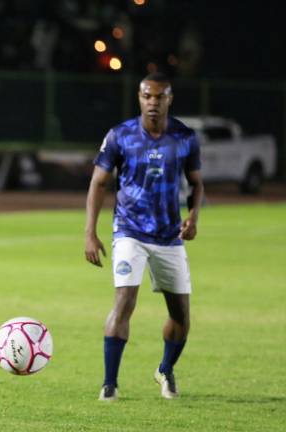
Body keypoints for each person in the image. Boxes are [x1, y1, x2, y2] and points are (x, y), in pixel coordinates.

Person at [84, 72, 204, 401]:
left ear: (169, 99)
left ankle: (165, 369)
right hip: (129, 232)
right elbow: (98, 183)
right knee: (124, 302)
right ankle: (110, 384)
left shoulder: (184, 137)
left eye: (159, 97)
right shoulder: (120, 136)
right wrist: (90, 233)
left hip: (169, 235)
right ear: (139, 98)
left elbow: (196, 183)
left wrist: (193, 217)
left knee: (181, 316)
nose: (153, 102)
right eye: (147, 96)